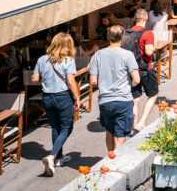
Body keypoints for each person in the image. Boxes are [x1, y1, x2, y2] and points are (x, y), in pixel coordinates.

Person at [32, 33, 80, 175]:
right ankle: (52, 156)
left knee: (55, 127)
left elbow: (34, 78)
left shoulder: (42, 59)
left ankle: (59, 157)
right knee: (67, 127)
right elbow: (71, 82)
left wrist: (45, 76)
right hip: (63, 97)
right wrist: (77, 98)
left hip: (47, 97)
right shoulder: (68, 60)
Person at [89, 26, 140, 153]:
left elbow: (93, 81)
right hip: (123, 99)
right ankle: (114, 164)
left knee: (109, 131)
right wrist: (128, 87)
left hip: (105, 101)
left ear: (107, 37)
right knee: (120, 135)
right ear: (122, 38)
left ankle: (110, 157)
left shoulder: (98, 55)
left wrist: (105, 85)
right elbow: (136, 79)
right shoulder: (127, 55)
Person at [122, 9, 158, 132]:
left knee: (135, 100)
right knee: (153, 95)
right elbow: (148, 51)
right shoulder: (148, 33)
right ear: (146, 19)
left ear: (134, 19)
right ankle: (141, 123)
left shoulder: (126, 33)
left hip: (131, 71)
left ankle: (133, 126)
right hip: (145, 69)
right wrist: (155, 47)